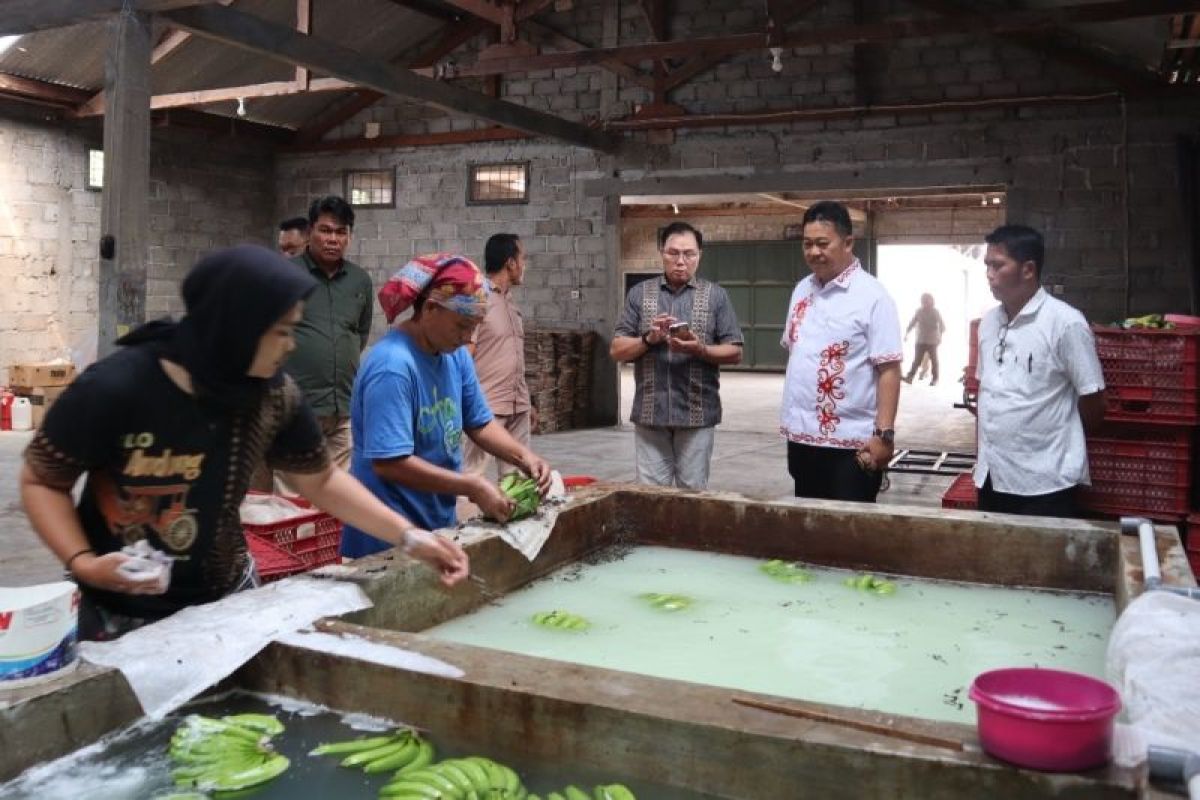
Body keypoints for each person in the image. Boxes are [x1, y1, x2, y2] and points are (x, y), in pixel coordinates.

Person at [19, 245, 468, 641]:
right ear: (234, 329)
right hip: (118, 606)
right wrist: (81, 562)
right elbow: (42, 481)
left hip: (227, 593)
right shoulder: (118, 387)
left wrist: (410, 538)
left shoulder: (270, 395)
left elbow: (322, 481)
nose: (290, 346)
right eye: (281, 331)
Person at [339, 253, 553, 559]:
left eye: (474, 328)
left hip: (436, 526)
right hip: (385, 537)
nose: (467, 337)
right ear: (429, 309)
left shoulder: (455, 355)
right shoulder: (393, 366)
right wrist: (473, 486)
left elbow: (479, 421)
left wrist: (524, 457)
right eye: (461, 326)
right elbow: (389, 462)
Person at [974, 225, 1106, 518]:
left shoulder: (1065, 323)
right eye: (987, 265)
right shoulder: (988, 323)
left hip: (1045, 484)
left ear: (1028, 269)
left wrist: (1054, 439)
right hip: (992, 476)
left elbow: (1093, 399)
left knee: (1041, 564)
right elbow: (987, 393)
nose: (989, 274)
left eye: (998, 265)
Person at [780, 201, 902, 502]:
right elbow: (797, 353)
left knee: (849, 534)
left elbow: (889, 369)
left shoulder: (872, 296)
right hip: (802, 438)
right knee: (807, 527)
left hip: (851, 444)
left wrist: (884, 435)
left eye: (823, 243)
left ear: (848, 242)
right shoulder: (801, 290)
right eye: (807, 244)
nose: (813, 252)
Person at [610, 221, 743, 490]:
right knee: (649, 495)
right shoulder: (640, 294)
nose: (680, 261)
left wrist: (700, 349)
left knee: (691, 494)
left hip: (697, 415)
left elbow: (735, 351)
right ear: (662, 252)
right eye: (673, 253)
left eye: (689, 254)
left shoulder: (716, 296)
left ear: (699, 255)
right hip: (650, 416)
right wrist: (650, 338)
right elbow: (617, 349)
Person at [286, 195, 373, 470]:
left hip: (343, 409)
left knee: (339, 494)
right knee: (294, 498)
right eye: (325, 230)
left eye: (341, 232)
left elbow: (359, 334)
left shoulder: (360, 280)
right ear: (310, 232)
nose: (333, 239)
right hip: (297, 407)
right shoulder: (286, 275)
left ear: (349, 236)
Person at [462, 233, 532, 483]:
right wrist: (467, 404)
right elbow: (464, 356)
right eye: (522, 258)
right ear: (510, 262)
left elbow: (513, 357)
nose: (524, 265)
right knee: (471, 479)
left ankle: (516, 523)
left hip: (518, 406)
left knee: (519, 483)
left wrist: (526, 401)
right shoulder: (478, 299)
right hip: (486, 410)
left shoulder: (510, 304)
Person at [902, 293, 945, 385]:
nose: (925, 303)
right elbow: (912, 322)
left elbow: (942, 325)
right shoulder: (919, 311)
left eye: (927, 301)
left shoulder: (935, 312)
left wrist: (940, 337)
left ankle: (935, 379)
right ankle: (910, 377)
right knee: (917, 360)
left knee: (934, 360)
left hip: (932, 341)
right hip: (921, 340)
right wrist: (907, 332)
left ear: (931, 302)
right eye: (923, 301)